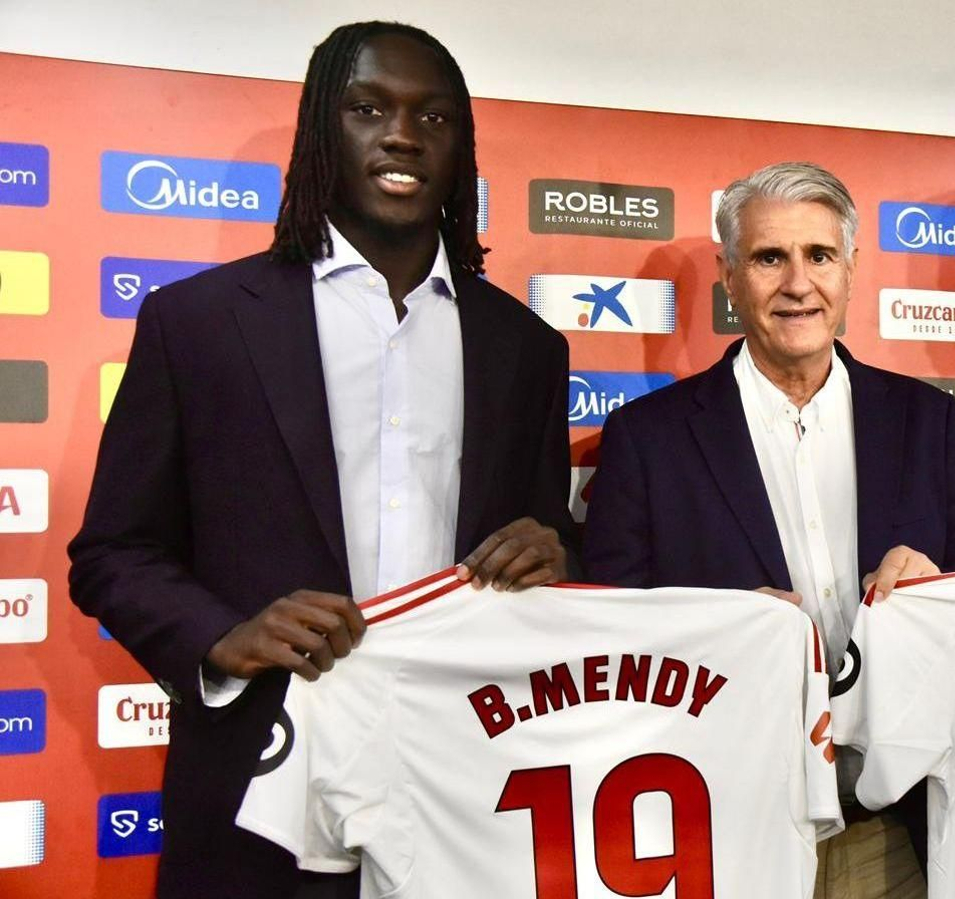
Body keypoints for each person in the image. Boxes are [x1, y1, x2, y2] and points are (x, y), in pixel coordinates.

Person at [67, 22, 576, 899]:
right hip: (257, 791)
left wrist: (558, 554)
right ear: (319, 133)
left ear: (462, 150)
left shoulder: (525, 346)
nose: (403, 135)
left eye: (435, 117)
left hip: (473, 791)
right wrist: (222, 635)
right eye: (368, 109)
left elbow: (550, 539)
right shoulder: (198, 323)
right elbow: (113, 552)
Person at [583, 161, 955, 898]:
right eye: (769, 257)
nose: (798, 283)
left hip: (894, 833)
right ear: (729, 276)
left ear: (851, 269)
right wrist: (719, 635)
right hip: (725, 834)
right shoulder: (646, 439)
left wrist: (941, 592)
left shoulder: (927, 421)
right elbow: (606, 649)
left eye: (819, 255)